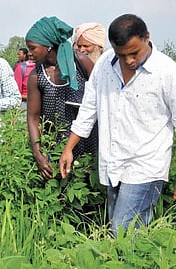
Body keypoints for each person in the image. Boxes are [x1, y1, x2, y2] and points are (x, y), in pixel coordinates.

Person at [59, 14, 176, 237]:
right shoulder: (104, 64)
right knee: (122, 231)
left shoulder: (167, 72)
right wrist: (69, 147)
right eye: (122, 55)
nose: (129, 61)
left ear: (147, 37)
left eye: (134, 53)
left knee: (122, 232)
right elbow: (89, 108)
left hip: (146, 166)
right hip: (112, 163)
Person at [25, 16, 97, 180]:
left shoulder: (80, 63)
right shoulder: (37, 75)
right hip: (54, 145)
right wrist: (38, 154)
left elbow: (100, 98)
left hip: (87, 141)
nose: (29, 53)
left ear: (49, 47)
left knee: (87, 192)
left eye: (33, 48)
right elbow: (33, 117)